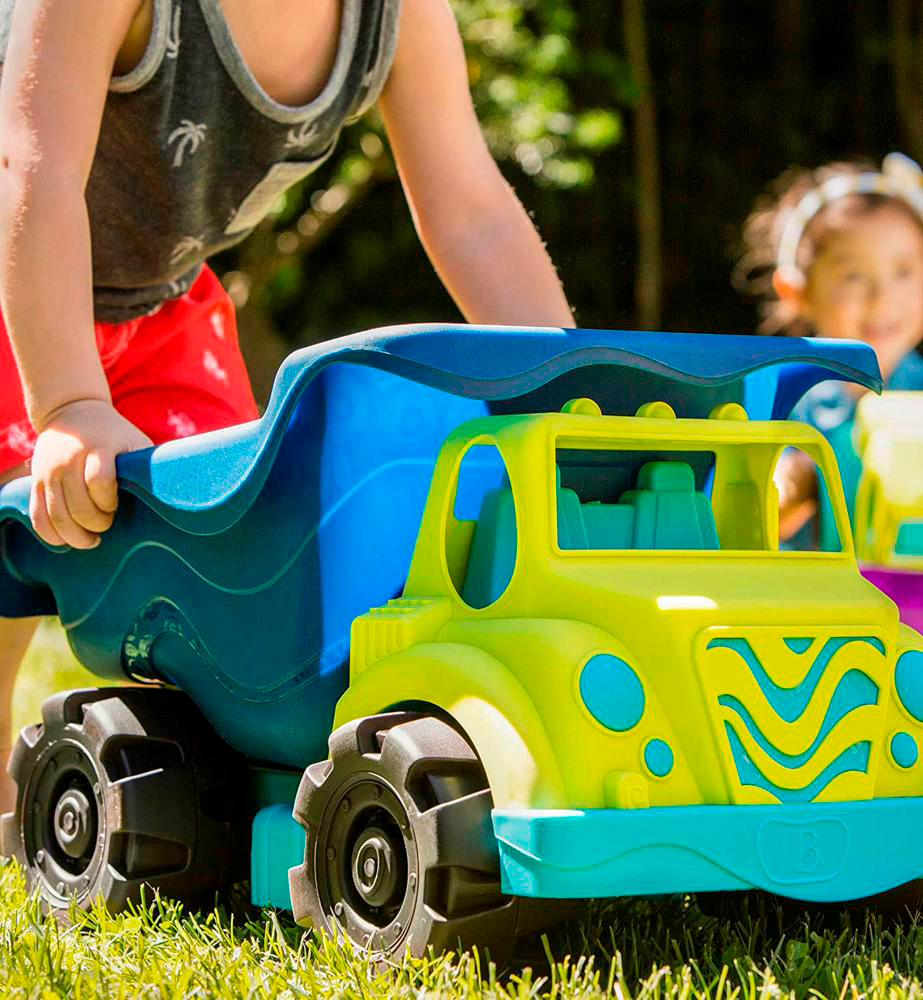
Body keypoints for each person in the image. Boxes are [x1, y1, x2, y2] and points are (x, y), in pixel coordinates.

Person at [0, 0, 575, 814]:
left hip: (160, 305)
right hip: (16, 267)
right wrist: (67, 399)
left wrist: (563, 394)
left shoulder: (398, 17)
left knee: (223, 547)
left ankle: (194, 798)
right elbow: (32, 163)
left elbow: (472, 212)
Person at [735, 152, 923, 547]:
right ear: (797, 292)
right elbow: (744, 526)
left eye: (904, 271)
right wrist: (794, 488)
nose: (883, 297)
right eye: (854, 276)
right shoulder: (781, 407)